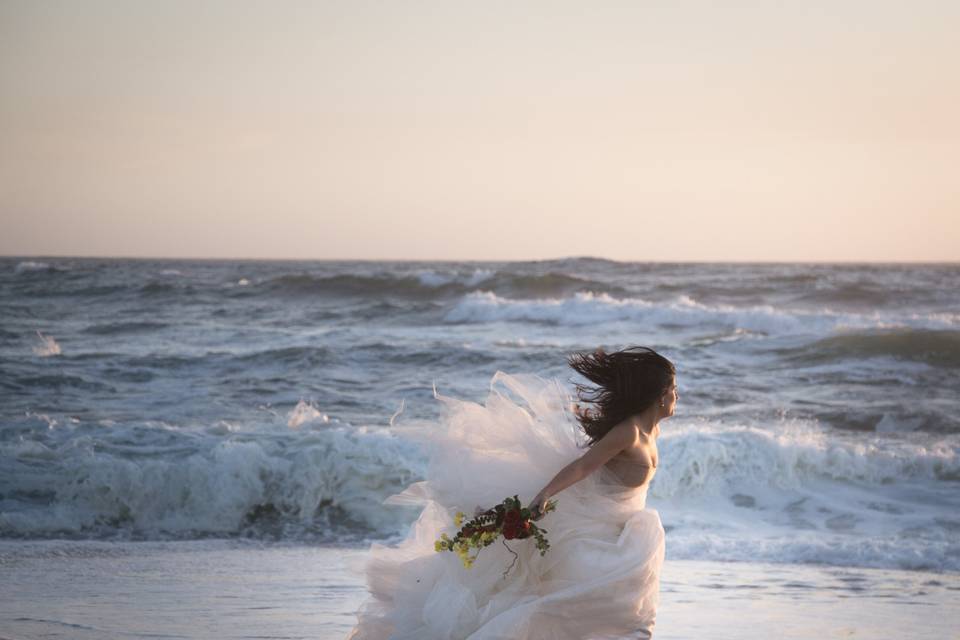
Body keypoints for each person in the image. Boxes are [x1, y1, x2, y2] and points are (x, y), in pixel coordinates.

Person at [348, 346, 677, 640]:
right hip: (594, 529)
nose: (677, 395)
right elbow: (582, 467)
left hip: (619, 527)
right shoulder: (629, 433)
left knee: (622, 601)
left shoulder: (653, 430)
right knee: (578, 600)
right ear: (660, 395)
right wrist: (545, 494)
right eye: (674, 389)